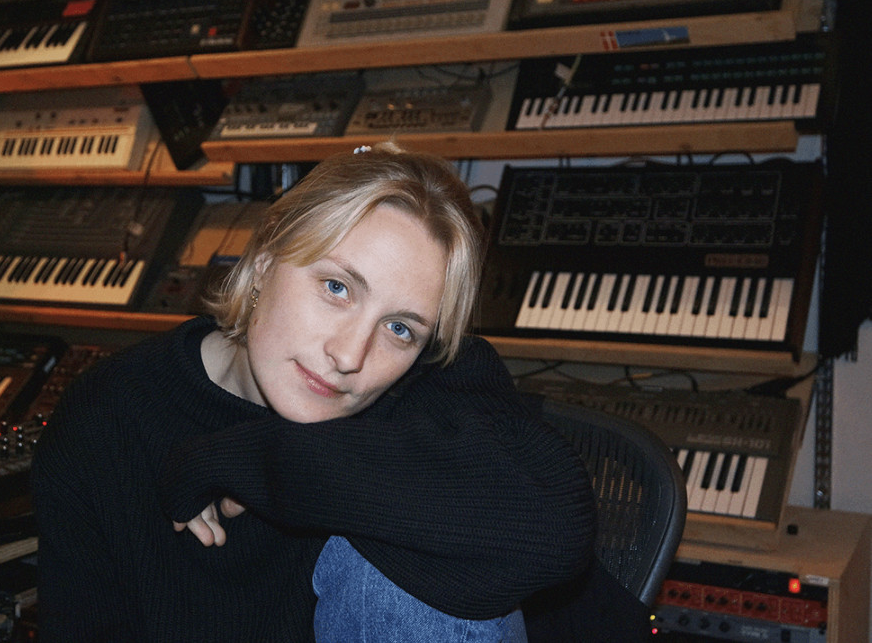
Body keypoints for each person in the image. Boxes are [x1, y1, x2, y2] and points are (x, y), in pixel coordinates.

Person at [30, 144, 601, 641]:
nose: (351, 356)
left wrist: (251, 459)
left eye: (400, 328)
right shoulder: (109, 414)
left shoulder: (425, 381)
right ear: (263, 261)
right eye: (336, 287)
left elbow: (555, 532)